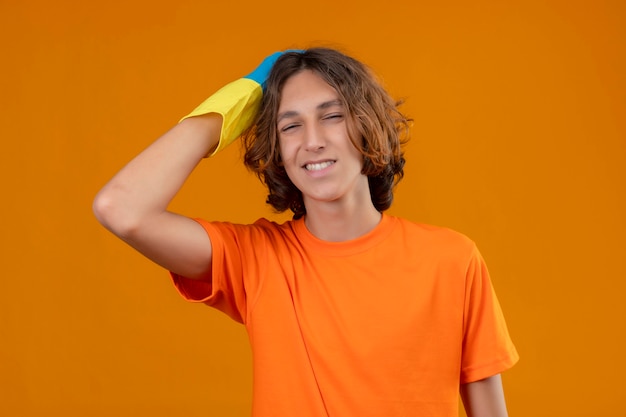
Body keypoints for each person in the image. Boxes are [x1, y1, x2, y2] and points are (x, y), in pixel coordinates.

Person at [93, 48, 519, 417]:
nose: (312, 141)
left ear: (367, 127)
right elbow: (120, 209)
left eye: (331, 116)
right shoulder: (256, 259)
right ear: (276, 151)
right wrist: (240, 98)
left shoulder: (452, 259)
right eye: (290, 126)